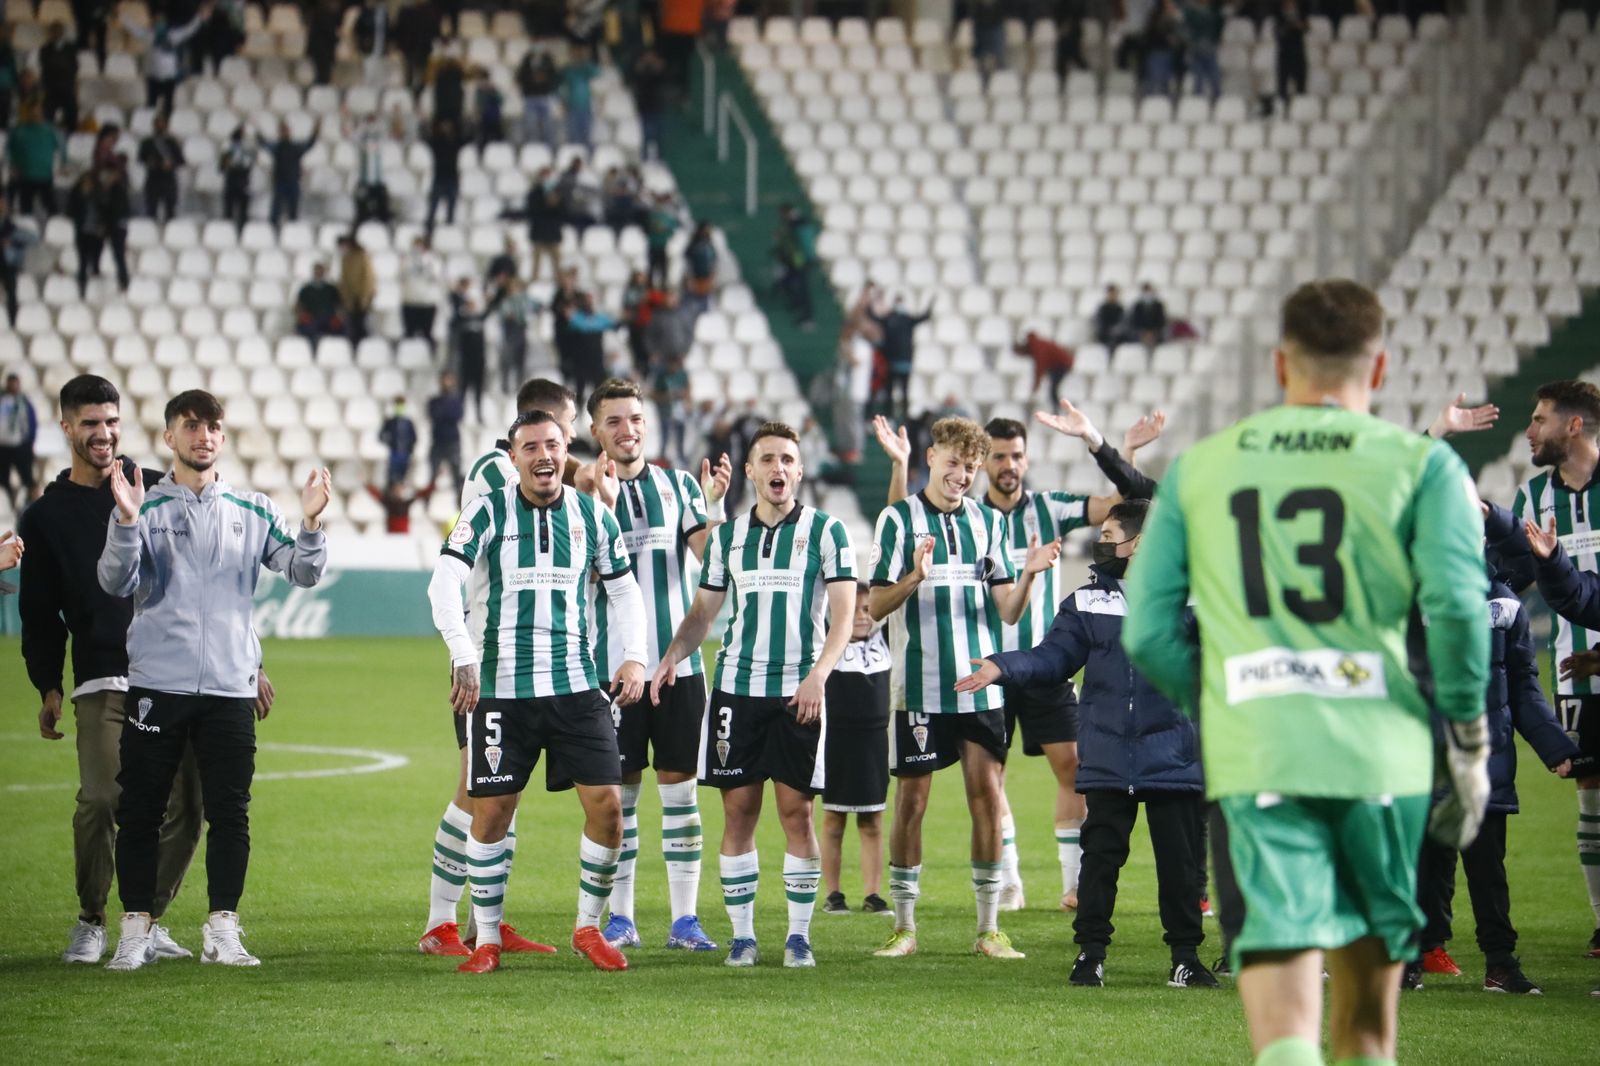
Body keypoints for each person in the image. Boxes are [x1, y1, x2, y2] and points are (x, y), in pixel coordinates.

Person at [1122, 279, 1491, 1066]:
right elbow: (1461, 615)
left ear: (1279, 363)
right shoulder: (1426, 467)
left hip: (1259, 754)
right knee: (1365, 1029)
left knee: (1284, 1030)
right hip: (1380, 756)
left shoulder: (1201, 469)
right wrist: (1466, 740)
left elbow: (1148, 633)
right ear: (1381, 367)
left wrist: (1222, 699)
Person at [877, 409, 1162, 912]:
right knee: (946, 792)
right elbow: (884, 576)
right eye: (995, 457)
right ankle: (996, 886)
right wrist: (915, 571)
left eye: (1013, 456)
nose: (1002, 465)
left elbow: (1123, 506)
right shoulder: (922, 518)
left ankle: (1057, 889)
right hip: (948, 678)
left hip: (1037, 663)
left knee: (1057, 771)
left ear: (1025, 461)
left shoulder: (1041, 509)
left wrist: (1118, 448)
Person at [97, 389, 331, 970]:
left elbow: (301, 570)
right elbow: (114, 581)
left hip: (229, 687)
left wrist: (310, 521)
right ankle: (135, 927)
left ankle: (222, 926)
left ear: (222, 439)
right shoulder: (142, 507)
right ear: (170, 438)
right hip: (157, 685)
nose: (203, 435)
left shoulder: (252, 510)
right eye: (191, 425)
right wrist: (126, 522)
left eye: (212, 427)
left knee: (230, 811)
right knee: (142, 810)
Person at [959, 499, 1216, 987]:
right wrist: (1003, 666)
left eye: (1111, 532)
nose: (1101, 540)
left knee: (1180, 867)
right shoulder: (1085, 601)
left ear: (1139, 543)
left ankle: (1185, 958)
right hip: (1109, 755)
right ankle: (1090, 954)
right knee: (1099, 861)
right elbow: (1052, 658)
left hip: (1174, 754)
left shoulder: (1193, 600)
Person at [428, 408, 644, 974]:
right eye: (531, 447)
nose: (544, 456)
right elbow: (444, 581)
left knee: (608, 810)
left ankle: (588, 929)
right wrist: (462, 653)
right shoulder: (487, 509)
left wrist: (635, 656)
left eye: (553, 445)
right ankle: (489, 939)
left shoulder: (594, 516)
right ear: (514, 455)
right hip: (501, 691)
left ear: (565, 447)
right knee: (492, 813)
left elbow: (625, 592)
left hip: (576, 687)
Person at [649, 420, 855, 968]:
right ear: (750, 471)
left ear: (801, 468)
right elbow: (703, 613)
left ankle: (798, 935)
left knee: (797, 815)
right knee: (737, 814)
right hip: (736, 692)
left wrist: (818, 676)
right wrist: (672, 654)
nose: (778, 469)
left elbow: (843, 619)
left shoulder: (828, 533)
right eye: (767, 459)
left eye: (788, 458)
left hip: (798, 694)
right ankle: (742, 936)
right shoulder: (728, 538)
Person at [18, 375, 208, 965]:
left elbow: (205, 583)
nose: (104, 434)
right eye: (91, 423)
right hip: (103, 673)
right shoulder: (45, 517)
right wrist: (48, 682)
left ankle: (143, 920)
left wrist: (246, 664)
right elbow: (38, 609)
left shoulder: (157, 487)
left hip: (173, 673)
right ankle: (92, 918)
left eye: (112, 422)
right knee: (101, 799)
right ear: (67, 427)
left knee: (191, 807)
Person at [867, 416, 1060, 961]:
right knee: (912, 801)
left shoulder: (985, 523)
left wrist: (1030, 575)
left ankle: (989, 928)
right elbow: (874, 606)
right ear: (930, 458)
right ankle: (904, 927)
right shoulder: (897, 519)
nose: (962, 476)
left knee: (987, 799)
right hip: (920, 688)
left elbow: (1007, 610)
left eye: (970, 468)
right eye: (954, 463)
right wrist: (913, 578)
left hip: (980, 683)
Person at [417, 379, 584, 961]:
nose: (562, 446)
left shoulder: (512, 467)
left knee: (500, 793)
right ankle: (441, 921)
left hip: (525, 661)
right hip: (487, 655)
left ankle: (487, 919)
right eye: (561, 430)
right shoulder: (496, 474)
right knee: (474, 786)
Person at [582, 379, 732, 952]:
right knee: (618, 798)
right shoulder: (582, 497)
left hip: (679, 669)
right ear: (596, 432)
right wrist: (605, 512)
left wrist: (714, 506)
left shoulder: (676, 487)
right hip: (613, 667)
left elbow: (710, 557)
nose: (628, 430)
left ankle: (684, 919)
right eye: (614, 421)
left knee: (680, 793)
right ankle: (620, 917)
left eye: (636, 419)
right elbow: (586, 577)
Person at [1405, 557, 1578, 995]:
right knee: (1421, 866)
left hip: (1486, 760)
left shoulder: (1505, 605)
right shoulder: (1404, 593)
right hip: (1420, 759)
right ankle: (1410, 962)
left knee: (1488, 872)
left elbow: (1523, 684)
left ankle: (1499, 963)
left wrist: (1555, 747)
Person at [1503, 380, 1600, 959]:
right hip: (1577, 675)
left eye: (1539, 420)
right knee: (1589, 793)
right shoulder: (1531, 497)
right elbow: (1509, 576)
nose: (1529, 431)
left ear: (1574, 426)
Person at [819, 581, 892, 915]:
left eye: (868, 609)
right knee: (834, 818)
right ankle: (833, 893)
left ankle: (873, 893)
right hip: (835, 738)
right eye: (854, 609)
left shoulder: (887, 640)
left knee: (872, 819)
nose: (862, 617)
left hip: (874, 739)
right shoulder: (826, 642)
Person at [122, 5, 208, 115]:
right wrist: (122, 16)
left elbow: (189, 30)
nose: (159, 22)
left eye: (161, 20)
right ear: (153, 20)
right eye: (157, 19)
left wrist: (199, 17)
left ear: (165, 22)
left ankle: (166, 123)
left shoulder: (173, 35)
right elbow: (133, 28)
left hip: (168, 75)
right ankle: (150, 124)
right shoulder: (148, 35)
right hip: (153, 75)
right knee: (151, 103)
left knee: (168, 104)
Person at [68, 164, 130, 300]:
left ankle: (119, 282)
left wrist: (103, 226)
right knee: (83, 261)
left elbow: (107, 211)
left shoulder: (103, 193)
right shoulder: (78, 196)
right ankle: (82, 288)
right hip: (84, 232)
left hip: (97, 233)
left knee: (104, 256)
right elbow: (71, 211)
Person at [868, 296, 934, 423]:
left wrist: (931, 304)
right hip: (891, 364)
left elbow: (924, 317)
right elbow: (873, 316)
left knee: (904, 391)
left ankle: (904, 417)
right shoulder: (890, 319)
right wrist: (871, 300)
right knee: (890, 392)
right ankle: (889, 415)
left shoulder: (906, 319)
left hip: (904, 364)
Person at [7, 105, 60, 216]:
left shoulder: (49, 131)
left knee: (50, 206)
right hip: (26, 175)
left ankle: (55, 226)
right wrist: (14, 166)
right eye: (34, 113)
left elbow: (59, 150)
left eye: (38, 113)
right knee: (26, 208)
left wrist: (59, 166)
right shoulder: (20, 131)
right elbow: (11, 149)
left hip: (44, 175)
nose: (36, 116)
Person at [265, 120, 317, 227]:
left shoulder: (295, 147)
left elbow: (309, 144)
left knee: (293, 211)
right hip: (280, 183)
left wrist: (316, 131)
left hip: (293, 182)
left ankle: (292, 232)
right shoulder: (277, 147)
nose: (285, 133)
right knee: (275, 212)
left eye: (286, 131)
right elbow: (263, 143)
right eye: (283, 131)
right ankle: (272, 232)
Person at [773, 204, 818, 329]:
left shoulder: (799, 225)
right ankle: (797, 304)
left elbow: (803, 244)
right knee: (787, 282)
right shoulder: (794, 224)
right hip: (793, 262)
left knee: (803, 289)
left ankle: (808, 317)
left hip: (800, 263)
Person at [0, 373, 39, 510]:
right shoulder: (2, 400)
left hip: (21, 446)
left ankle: (32, 503)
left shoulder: (24, 402)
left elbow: (31, 423)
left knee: (27, 477)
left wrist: (29, 441)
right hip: (3, 446)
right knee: (3, 478)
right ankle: (8, 503)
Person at [495, 277, 538, 396]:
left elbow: (536, 306)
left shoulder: (525, 300)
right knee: (507, 359)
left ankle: (519, 385)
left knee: (520, 360)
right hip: (510, 332)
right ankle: (505, 386)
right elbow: (505, 314)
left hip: (520, 331)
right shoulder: (506, 301)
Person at [0, 198, 39, 326]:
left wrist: (12, 240)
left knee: (12, 293)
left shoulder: (11, 226)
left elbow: (34, 239)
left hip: (9, 264)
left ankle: (13, 322)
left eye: (3, 204)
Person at [138, 113, 184, 222]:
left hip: (168, 179)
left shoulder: (172, 142)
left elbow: (180, 160)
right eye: (158, 123)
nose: (160, 126)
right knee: (151, 209)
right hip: (153, 178)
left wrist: (170, 163)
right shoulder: (147, 142)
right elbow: (141, 158)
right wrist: (152, 162)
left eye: (162, 123)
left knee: (170, 210)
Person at [1012, 329, 1075, 406]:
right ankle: (1057, 407)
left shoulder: (1037, 349)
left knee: (1053, 391)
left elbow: (1039, 368)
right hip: (1057, 365)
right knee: (1053, 390)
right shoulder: (1036, 346)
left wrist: (1036, 386)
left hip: (1061, 365)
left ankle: (1057, 409)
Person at [424, 118, 466, 232]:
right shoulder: (436, 142)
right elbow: (425, 138)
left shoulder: (455, 142)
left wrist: (470, 122)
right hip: (439, 178)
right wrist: (424, 122)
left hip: (452, 178)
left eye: (448, 126)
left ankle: (448, 232)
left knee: (451, 208)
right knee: (433, 208)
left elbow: (468, 138)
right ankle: (429, 231)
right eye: (444, 126)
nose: (446, 128)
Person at [400, 236, 443, 349]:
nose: (417, 249)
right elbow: (400, 276)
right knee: (409, 334)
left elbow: (436, 278)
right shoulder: (406, 260)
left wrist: (425, 264)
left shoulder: (433, 260)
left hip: (427, 302)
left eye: (419, 246)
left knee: (427, 334)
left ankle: (430, 358)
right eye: (415, 246)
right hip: (410, 301)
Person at [426, 373, 464, 498]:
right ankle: (428, 501)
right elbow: (434, 415)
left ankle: (459, 501)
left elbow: (456, 416)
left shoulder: (456, 401)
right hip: (437, 441)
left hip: (452, 441)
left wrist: (443, 414)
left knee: (456, 474)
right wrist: (445, 414)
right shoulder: (434, 401)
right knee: (432, 474)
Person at [39, 22, 81, 135]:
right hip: (51, 89)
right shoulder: (45, 49)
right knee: (48, 117)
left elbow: (74, 67)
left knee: (71, 115)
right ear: (51, 33)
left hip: (67, 87)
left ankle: (71, 136)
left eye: (59, 30)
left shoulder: (71, 48)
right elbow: (45, 67)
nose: (57, 33)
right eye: (54, 30)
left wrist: (59, 65)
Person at [516, 49, 560, 148]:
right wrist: (527, 59)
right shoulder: (526, 66)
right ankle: (533, 148)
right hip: (530, 99)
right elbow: (520, 77)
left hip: (544, 98)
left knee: (547, 127)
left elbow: (554, 76)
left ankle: (548, 149)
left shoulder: (547, 65)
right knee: (531, 126)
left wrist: (547, 58)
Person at [219, 126, 257, 235]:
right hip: (232, 183)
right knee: (228, 212)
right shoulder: (228, 151)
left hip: (243, 183)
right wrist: (228, 163)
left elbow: (249, 166)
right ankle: (227, 234)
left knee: (243, 212)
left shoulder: (247, 151)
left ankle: (242, 234)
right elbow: (221, 167)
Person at [293, 263, 342, 348]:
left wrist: (338, 317)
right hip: (311, 319)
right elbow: (298, 306)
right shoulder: (306, 289)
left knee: (341, 328)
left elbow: (340, 306)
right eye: (317, 272)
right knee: (305, 328)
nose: (319, 274)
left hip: (328, 319)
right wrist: (302, 316)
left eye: (321, 272)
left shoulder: (332, 289)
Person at [339, 235, 376, 344]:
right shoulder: (345, 259)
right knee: (352, 324)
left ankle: (365, 345)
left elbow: (368, 278)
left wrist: (365, 297)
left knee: (363, 323)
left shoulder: (363, 256)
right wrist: (346, 298)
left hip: (363, 297)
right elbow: (344, 280)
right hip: (351, 298)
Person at [560, 46, 598, 150]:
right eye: (574, 55)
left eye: (578, 55)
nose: (576, 58)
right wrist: (563, 102)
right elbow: (561, 87)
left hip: (585, 108)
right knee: (573, 138)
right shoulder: (567, 71)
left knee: (587, 137)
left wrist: (585, 61)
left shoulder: (586, 70)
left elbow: (598, 72)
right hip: (572, 108)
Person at [366, 477, 435, 534]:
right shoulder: (389, 502)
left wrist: (432, 486)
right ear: (393, 491)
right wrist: (367, 485)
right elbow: (377, 495)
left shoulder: (405, 503)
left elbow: (420, 494)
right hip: (392, 533)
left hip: (403, 532)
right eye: (396, 489)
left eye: (399, 489)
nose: (398, 491)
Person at [1275, 0, 1308, 108]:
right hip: (1284, 55)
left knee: (1301, 87)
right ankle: (1283, 109)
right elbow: (1278, 32)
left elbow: (1306, 27)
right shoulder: (1278, 14)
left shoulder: (1301, 13)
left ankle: (1300, 109)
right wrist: (1289, 26)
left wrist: (1298, 25)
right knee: (1282, 88)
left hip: (1298, 55)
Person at [379, 397, 418, 485]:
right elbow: (381, 436)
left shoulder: (408, 422)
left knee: (403, 478)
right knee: (392, 477)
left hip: (405, 453)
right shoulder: (389, 422)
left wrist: (410, 449)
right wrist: (389, 442)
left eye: (401, 405)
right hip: (394, 452)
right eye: (398, 405)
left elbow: (414, 438)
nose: (399, 407)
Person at [645, 194, 679, 290]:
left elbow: (671, 230)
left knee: (663, 269)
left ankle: (663, 287)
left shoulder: (667, 217)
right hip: (653, 245)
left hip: (662, 245)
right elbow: (648, 228)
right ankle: (650, 287)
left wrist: (663, 230)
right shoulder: (651, 216)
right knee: (652, 268)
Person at [683, 221, 718, 316]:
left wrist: (712, 277)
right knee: (691, 305)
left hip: (705, 279)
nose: (707, 233)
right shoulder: (693, 245)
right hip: (695, 279)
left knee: (704, 306)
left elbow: (713, 262)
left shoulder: (710, 245)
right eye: (706, 230)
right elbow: (687, 262)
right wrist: (689, 278)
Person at [1130, 283, 1168, 347]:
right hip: (1141, 332)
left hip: (1155, 332)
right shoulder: (1138, 306)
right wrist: (1144, 331)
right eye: (1145, 291)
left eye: (1148, 291)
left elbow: (1161, 320)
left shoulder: (1158, 305)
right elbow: (1135, 321)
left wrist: (1152, 331)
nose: (1147, 293)